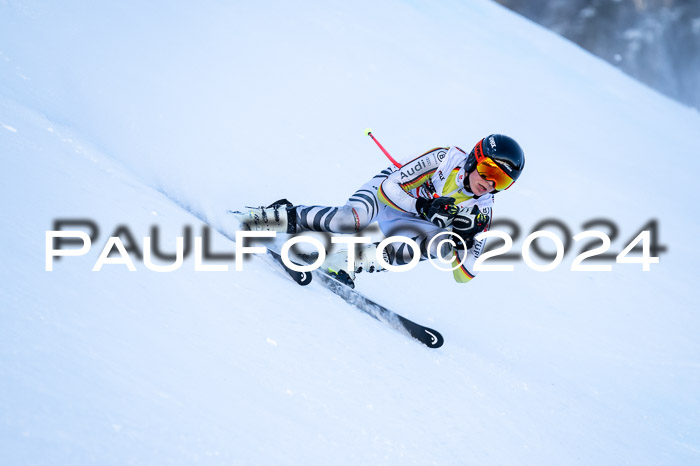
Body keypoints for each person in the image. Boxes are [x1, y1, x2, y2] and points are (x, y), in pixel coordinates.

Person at [235, 134, 525, 287]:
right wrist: (423, 205)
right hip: (389, 193)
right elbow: (389, 189)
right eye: (488, 170)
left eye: (501, 181)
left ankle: (340, 262)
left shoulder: (482, 211)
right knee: (349, 220)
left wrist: (468, 238)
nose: (489, 184)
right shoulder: (444, 158)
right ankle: (271, 217)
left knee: (443, 244)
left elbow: (465, 275)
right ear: (476, 159)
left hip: (410, 220)